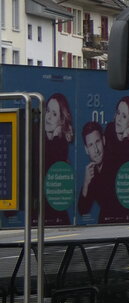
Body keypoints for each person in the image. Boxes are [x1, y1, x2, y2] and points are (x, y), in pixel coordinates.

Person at [76, 121, 121, 224]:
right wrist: (86, 183)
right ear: (86, 150)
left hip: (124, 223)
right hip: (107, 225)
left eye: (98, 142)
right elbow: (82, 210)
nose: (96, 150)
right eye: (91, 145)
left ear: (104, 140)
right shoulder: (92, 172)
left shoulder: (115, 163)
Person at [43, 93, 74, 226]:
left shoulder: (60, 144)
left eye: (54, 114)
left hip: (54, 213)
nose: (48, 117)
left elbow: (52, 162)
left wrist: (57, 136)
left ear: (62, 121)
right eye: (48, 111)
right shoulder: (35, 140)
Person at [104, 95, 129, 169]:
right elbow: (110, 164)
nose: (119, 119)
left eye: (124, 116)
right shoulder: (109, 130)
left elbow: (125, 169)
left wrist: (125, 137)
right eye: (118, 113)